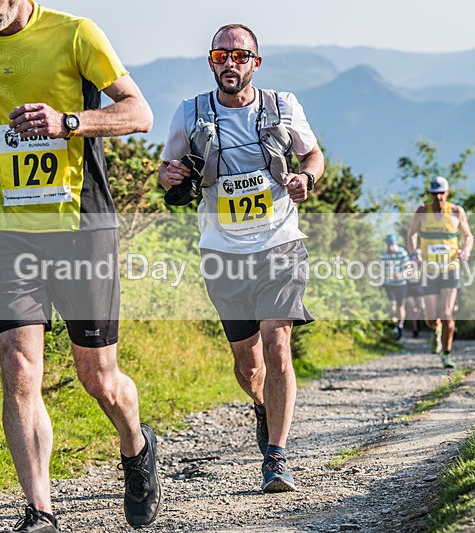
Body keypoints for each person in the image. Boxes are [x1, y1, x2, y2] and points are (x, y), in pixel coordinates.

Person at [0, 1, 160, 530]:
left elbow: (139, 112)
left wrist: (69, 122)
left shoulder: (75, 34)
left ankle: (136, 445)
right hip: (8, 229)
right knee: (19, 368)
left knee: (99, 377)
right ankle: (40, 511)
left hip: (81, 229)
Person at [158, 24, 324, 493]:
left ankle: (276, 456)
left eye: (239, 55)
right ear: (211, 61)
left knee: (277, 343)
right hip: (223, 251)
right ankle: (261, 406)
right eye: (220, 54)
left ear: (256, 62)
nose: (229, 62)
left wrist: (305, 180)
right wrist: (170, 175)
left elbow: (313, 155)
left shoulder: (282, 105)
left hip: (279, 243)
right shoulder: (189, 113)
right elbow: (170, 172)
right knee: (249, 366)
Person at [406, 176, 474, 369]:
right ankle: (435, 332)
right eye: (435, 194)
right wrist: (413, 253)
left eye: (441, 194)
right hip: (429, 270)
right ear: (431, 194)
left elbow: (468, 235)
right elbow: (411, 233)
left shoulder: (456, 211)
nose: (438, 198)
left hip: (451, 269)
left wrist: (466, 250)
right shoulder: (421, 212)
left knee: (446, 313)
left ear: (448, 192)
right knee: (430, 318)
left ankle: (446, 354)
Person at [380, 234, 408, 339]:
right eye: (388, 245)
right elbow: (382, 269)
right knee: (392, 305)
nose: (390, 247)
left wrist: (401, 275)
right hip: (389, 284)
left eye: (391, 244)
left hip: (401, 284)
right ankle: (393, 325)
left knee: (401, 307)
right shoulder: (384, 254)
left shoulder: (402, 253)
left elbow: (408, 267)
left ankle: (400, 326)